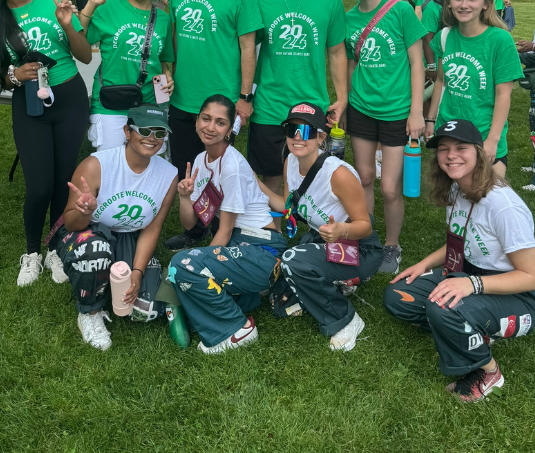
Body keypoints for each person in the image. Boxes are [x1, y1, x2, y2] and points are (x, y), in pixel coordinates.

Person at [385, 118, 535, 401]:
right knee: (398, 294)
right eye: (443, 149)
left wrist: (471, 285)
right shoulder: (459, 188)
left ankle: (488, 371)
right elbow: (460, 240)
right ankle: (466, 328)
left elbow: (532, 276)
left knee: (444, 307)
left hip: (520, 296)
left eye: (461, 147)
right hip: (468, 273)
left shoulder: (503, 206)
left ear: (479, 152)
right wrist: (423, 265)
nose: (450, 155)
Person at [0, 0, 92, 288]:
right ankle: (31, 253)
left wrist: (67, 24)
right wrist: (16, 76)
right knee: (39, 185)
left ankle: (56, 248)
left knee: (64, 180)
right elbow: (1, 73)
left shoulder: (52, 2)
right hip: (29, 105)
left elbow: (85, 56)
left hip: (71, 98)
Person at [257, 101, 383, 350]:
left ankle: (345, 320)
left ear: (320, 137)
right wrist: (253, 180)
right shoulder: (290, 162)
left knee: (294, 260)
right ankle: (336, 283)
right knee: (280, 296)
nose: (297, 138)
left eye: (305, 132)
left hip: (360, 249)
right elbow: (287, 206)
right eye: (291, 130)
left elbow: (365, 226)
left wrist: (341, 230)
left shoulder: (339, 175)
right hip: (323, 240)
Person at [161, 95, 279, 353]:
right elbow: (192, 223)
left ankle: (238, 329)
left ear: (228, 130)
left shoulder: (232, 166)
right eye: (206, 118)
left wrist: (196, 261)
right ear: (196, 121)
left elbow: (223, 231)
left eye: (220, 122)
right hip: (240, 244)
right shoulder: (202, 161)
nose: (210, 127)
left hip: (262, 250)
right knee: (184, 269)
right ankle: (241, 298)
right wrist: (184, 197)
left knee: (183, 265)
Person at [56, 103, 178, 349]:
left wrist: (137, 273)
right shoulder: (96, 165)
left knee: (146, 310)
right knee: (94, 254)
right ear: (127, 131)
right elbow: (70, 224)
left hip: (131, 236)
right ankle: (89, 312)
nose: (152, 138)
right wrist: (85, 212)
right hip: (90, 233)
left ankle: (110, 279)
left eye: (159, 132)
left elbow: (152, 228)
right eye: (144, 130)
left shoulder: (169, 174)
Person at [341, 0, 428, 274]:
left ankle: (392, 245)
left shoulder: (401, 11)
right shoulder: (349, 18)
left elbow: (417, 62)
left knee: (390, 186)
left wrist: (416, 111)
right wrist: (348, 102)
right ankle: (368, 238)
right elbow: (352, 62)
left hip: (396, 110)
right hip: (362, 107)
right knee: (363, 177)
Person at [249, 0, 349, 189]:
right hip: (269, 107)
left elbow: (337, 51)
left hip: (310, 107)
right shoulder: (259, 1)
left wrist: (341, 98)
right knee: (272, 178)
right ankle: (276, 231)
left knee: (313, 178)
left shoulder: (329, 1)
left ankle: (313, 230)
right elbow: (246, 50)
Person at [167, 0, 264, 182]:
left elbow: (248, 48)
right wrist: (168, 71)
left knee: (218, 179)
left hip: (221, 102)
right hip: (183, 98)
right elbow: (174, 34)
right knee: (186, 175)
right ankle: (194, 226)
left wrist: (245, 98)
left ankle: (222, 225)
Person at [80, 0, 175, 161]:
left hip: (150, 104)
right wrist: (91, 5)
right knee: (110, 168)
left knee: (150, 171)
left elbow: (163, 61)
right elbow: (78, 40)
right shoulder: (109, 7)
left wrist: (167, 76)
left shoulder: (164, 19)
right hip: (109, 105)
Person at [428, 0, 520, 180]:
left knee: (488, 202)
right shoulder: (444, 36)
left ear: (486, 4)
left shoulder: (500, 40)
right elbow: (441, 81)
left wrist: (493, 141)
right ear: (449, 2)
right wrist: (430, 120)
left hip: (483, 134)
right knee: (454, 205)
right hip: (449, 133)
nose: (464, 4)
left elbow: (503, 95)